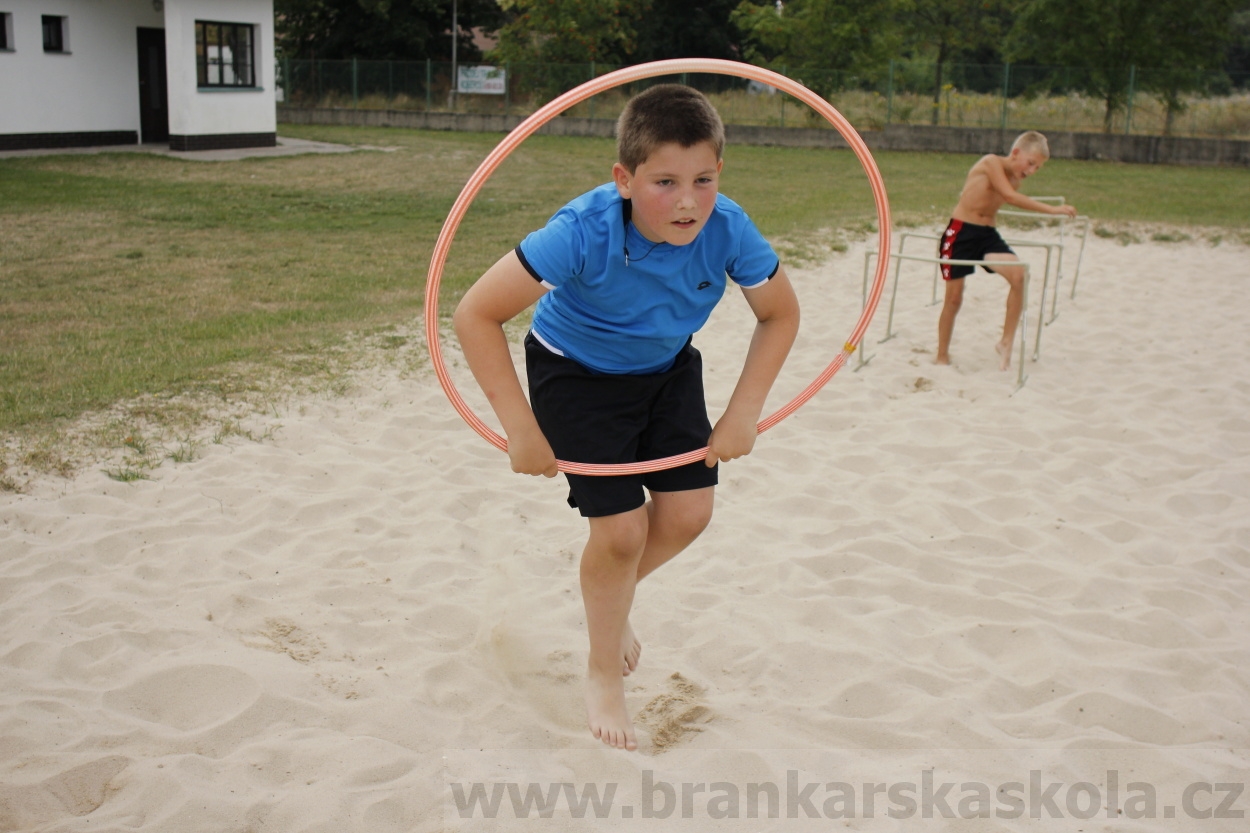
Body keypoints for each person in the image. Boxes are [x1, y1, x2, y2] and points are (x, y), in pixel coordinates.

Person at [453, 84, 800, 751]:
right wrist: (521, 426)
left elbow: (780, 313)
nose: (688, 201)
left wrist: (742, 413)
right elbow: (476, 313)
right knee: (618, 534)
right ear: (624, 179)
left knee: (689, 515)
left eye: (703, 180)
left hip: (666, 369)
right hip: (575, 372)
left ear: (719, 173)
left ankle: (608, 601)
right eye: (665, 182)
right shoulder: (581, 230)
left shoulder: (729, 227)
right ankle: (602, 669)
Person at [935, 130, 1077, 370]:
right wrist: (1052, 210)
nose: (1032, 171)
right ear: (1016, 153)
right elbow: (1010, 197)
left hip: (987, 236)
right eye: (1030, 163)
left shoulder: (1016, 179)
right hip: (961, 233)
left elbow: (1008, 195)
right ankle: (941, 355)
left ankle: (1006, 341)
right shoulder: (991, 162)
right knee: (954, 298)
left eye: (1037, 168)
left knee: (1019, 275)